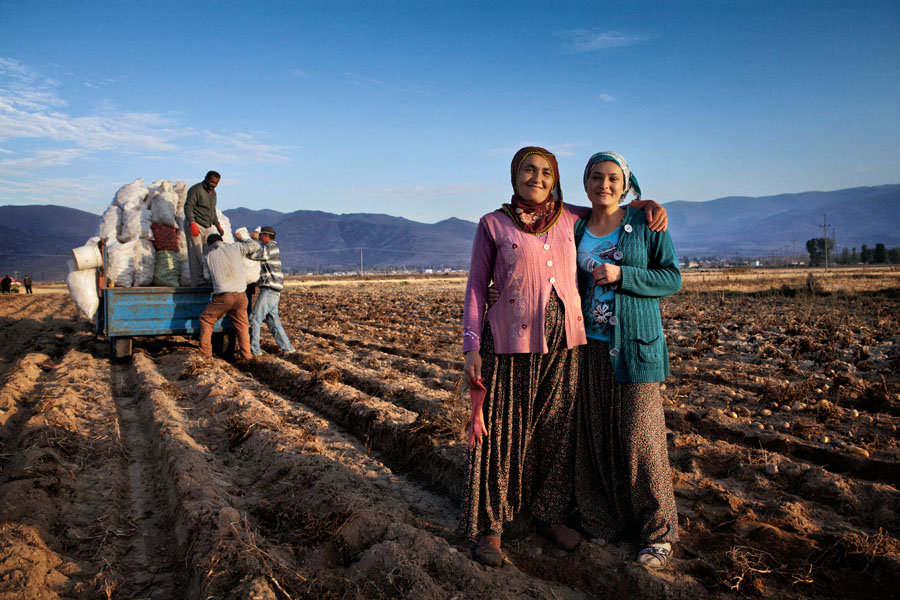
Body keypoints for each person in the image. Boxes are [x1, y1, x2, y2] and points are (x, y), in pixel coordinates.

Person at [460, 146, 667, 567]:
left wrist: (645, 203)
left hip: (566, 347)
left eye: (546, 172)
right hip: (509, 345)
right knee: (503, 435)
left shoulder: (569, 217)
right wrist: (471, 346)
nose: (536, 178)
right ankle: (491, 528)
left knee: (556, 435)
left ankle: (548, 516)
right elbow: (477, 287)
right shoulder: (493, 224)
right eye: (528, 170)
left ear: (556, 181)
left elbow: (610, 206)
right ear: (515, 175)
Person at [573, 152, 681, 570]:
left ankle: (658, 533)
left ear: (625, 184)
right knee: (597, 436)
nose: (604, 184)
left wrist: (623, 276)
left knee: (641, 438)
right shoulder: (577, 225)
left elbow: (672, 278)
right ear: (586, 183)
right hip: (589, 348)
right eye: (597, 177)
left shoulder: (646, 224)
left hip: (636, 346)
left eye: (613, 178)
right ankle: (604, 521)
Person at [198, 233, 257, 360]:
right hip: (241, 295)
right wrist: (242, 238)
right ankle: (247, 356)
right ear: (222, 240)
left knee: (206, 319)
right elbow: (255, 246)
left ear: (209, 244)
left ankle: (206, 354)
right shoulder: (235, 247)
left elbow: (206, 276)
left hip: (224, 296)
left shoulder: (208, 254)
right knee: (242, 326)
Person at [241, 226, 295, 356]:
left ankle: (255, 351)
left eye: (261, 236)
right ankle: (288, 349)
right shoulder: (270, 247)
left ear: (266, 235)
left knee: (254, 319)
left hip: (270, 290)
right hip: (272, 290)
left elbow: (254, 255)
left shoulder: (271, 247)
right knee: (273, 321)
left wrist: (249, 240)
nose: (260, 238)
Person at [185, 170, 224, 286]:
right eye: (212, 182)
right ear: (206, 179)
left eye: (216, 183)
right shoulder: (196, 190)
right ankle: (197, 282)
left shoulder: (213, 193)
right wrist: (192, 223)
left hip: (207, 224)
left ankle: (209, 278)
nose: (213, 185)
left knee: (210, 251)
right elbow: (188, 207)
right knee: (196, 253)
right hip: (196, 222)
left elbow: (212, 210)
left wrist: (217, 224)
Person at [245, 226, 261, 313]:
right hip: (250, 280)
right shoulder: (257, 246)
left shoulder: (254, 247)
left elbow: (253, 255)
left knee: (246, 301)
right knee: (247, 301)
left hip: (247, 281)